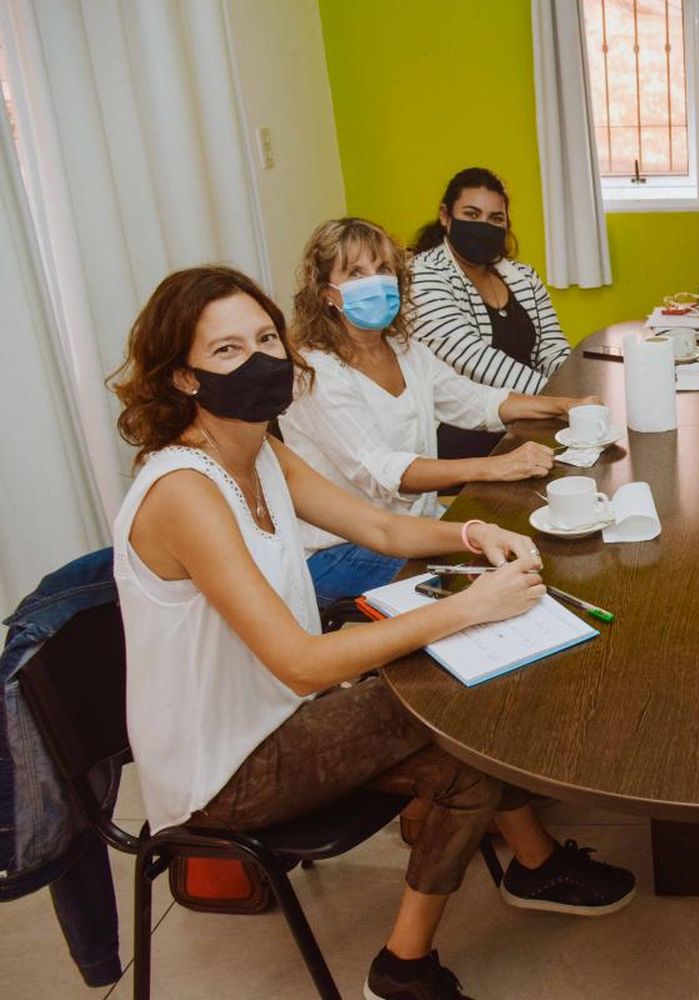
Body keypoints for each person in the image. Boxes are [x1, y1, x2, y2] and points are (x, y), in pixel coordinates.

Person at [109, 266, 635, 1000]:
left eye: (265, 338)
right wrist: (467, 609)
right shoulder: (183, 492)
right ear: (184, 379)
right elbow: (300, 662)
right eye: (227, 351)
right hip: (223, 768)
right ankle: (517, 878)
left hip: (280, 719)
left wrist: (474, 531)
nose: (260, 360)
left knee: (467, 742)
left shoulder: (257, 451)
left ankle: (408, 961)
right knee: (457, 706)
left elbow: (382, 526)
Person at [280, 217, 597, 607]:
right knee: (491, 577)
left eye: (382, 269)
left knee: (521, 552)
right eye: (356, 273)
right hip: (339, 550)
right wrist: (492, 466)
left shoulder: (404, 349)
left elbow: (475, 400)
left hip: (414, 528)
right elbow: (386, 471)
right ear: (327, 292)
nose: (375, 281)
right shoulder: (314, 373)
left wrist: (563, 405)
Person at [410, 168, 571, 457]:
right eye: (472, 215)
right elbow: (473, 358)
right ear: (445, 217)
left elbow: (552, 347)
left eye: (495, 219)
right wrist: (556, 402)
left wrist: (572, 389)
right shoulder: (421, 275)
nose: (483, 226)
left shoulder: (523, 276)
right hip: (463, 426)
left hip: (532, 415)